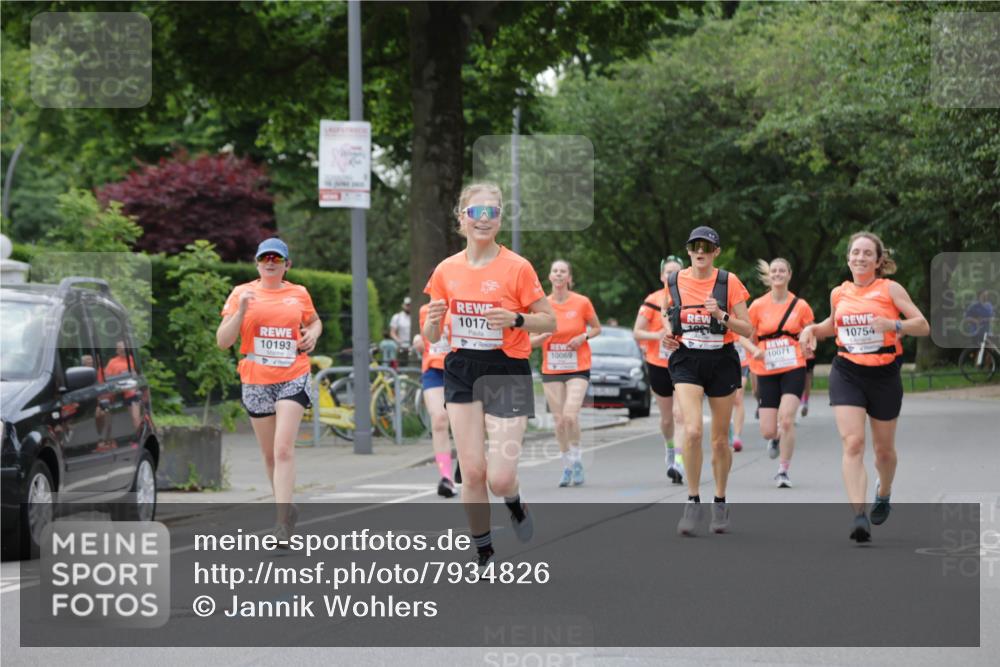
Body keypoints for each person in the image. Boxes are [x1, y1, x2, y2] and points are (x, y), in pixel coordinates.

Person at [423, 182, 556, 573]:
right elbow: (433, 336)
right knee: (473, 471)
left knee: (499, 477)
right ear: (461, 218)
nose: (483, 220)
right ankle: (483, 551)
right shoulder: (446, 270)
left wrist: (517, 319)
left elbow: (549, 318)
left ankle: (513, 501)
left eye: (492, 213)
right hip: (462, 367)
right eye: (475, 213)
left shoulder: (517, 267)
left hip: (506, 368)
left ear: (499, 219)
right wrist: (432, 325)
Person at [799, 232, 929, 543]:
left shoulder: (890, 289)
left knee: (883, 452)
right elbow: (833, 325)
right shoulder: (838, 293)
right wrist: (812, 329)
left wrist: (894, 325)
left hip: (884, 375)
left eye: (867, 253)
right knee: (853, 443)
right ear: (848, 259)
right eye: (855, 252)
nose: (860, 257)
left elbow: (923, 325)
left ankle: (883, 494)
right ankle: (859, 515)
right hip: (847, 372)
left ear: (878, 260)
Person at [217, 237, 321, 541]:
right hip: (255, 377)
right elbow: (223, 341)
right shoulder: (241, 293)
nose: (271, 263)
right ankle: (286, 508)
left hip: (293, 373)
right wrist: (241, 312)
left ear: (287, 265)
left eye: (277, 259)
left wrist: (312, 335)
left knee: (283, 448)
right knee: (269, 454)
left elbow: (315, 322)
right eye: (265, 259)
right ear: (257, 263)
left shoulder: (298, 293)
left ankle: (280, 524)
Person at [661, 227, 753, 536]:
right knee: (692, 429)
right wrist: (667, 333)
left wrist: (722, 316)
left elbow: (748, 329)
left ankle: (720, 500)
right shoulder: (674, 281)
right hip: (687, 359)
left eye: (706, 246)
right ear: (688, 251)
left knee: (718, 439)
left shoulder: (729, 282)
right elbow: (667, 313)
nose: (700, 251)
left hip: (721, 359)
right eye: (694, 246)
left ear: (716, 251)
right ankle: (692, 500)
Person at [530, 259, 601, 487]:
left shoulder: (582, 303)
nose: (559, 275)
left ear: (569, 278)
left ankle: (577, 459)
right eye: (555, 271)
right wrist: (542, 338)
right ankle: (567, 465)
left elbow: (596, 327)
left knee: (571, 415)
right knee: (559, 421)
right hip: (552, 367)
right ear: (549, 277)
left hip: (578, 366)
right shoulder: (542, 306)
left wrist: (584, 337)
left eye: (563, 272)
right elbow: (528, 341)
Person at [745, 258, 815, 488]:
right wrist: (754, 349)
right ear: (769, 275)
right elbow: (742, 334)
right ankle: (774, 440)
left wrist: (809, 343)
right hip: (766, 368)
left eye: (782, 270)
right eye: (774, 271)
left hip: (793, 365)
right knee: (768, 430)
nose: (777, 274)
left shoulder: (800, 305)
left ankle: (783, 471)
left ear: (789, 274)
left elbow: (811, 331)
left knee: (786, 420)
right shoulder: (757, 305)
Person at [634, 255, 687, 483]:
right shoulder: (653, 300)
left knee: (680, 414)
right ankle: (670, 446)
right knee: (667, 420)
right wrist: (656, 335)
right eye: (668, 272)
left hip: (685, 363)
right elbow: (637, 332)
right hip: (658, 364)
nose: (671, 276)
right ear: (661, 275)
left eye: (675, 272)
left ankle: (680, 462)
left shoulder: (689, 298)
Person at [416, 301, 457, 498]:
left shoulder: (462, 306)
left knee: (465, 424)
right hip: (433, 370)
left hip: (460, 370)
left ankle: (467, 464)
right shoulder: (425, 310)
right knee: (439, 419)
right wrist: (418, 340)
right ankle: (446, 477)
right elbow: (426, 340)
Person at [730, 336, 752, 452]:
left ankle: (736, 436)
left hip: (742, 361)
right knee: (725, 398)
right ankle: (727, 427)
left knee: (738, 397)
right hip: (722, 360)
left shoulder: (744, 316)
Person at [390, 297, 412, 363]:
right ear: (403, 305)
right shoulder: (397, 317)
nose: (409, 307)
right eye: (407, 305)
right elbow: (392, 332)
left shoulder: (416, 316)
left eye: (410, 305)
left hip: (414, 347)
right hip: (402, 347)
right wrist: (398, 340)